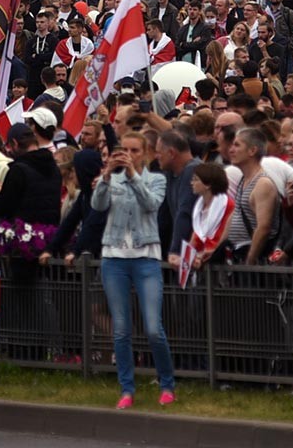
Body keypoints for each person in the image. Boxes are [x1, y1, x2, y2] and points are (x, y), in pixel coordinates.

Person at [90, 129, 176, 411]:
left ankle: (167, 384)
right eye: (123, 151)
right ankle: (127, 388)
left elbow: (151, 205)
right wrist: (105, 176)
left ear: (146, 154)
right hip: (113, 257)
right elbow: (97, 206)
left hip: (146, 258)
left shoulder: (156, 179)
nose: (128, 156)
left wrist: (132, 176)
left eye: (134, 151)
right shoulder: (111, 178)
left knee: (153, 327)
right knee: (121, 329)